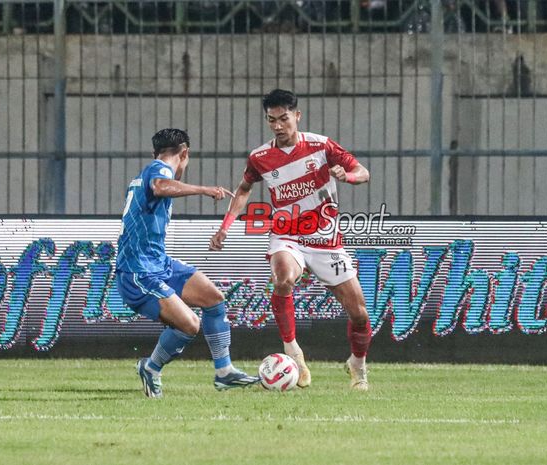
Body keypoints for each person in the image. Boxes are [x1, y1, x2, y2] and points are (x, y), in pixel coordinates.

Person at [209, 89, 373, 390]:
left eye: (284, 118)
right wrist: (226, 227)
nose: (278, 126)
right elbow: (244, 188)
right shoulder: (260, 157)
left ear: (297, 116)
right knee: (283, 279)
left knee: (359, 314)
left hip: (326, 240)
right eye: (271, 120)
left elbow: (363, 172)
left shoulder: (321, 145)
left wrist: (345, 176)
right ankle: (294, 353)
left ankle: (357, 366)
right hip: (287, 235)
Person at [116, 128, 260, 398]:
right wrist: (203, 189)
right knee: (190, 325)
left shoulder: (147, 172)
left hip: (158, 263)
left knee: (214, 299)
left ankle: (224, 372)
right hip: (138, 273)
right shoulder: (159, 172)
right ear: (185, 153)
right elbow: (160, 187)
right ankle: (151, 367)